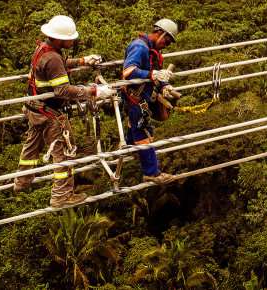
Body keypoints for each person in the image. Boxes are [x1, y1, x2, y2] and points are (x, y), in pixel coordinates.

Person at [14, 15, 114, 207]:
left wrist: (83, 61)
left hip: (34, 108)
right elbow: (63, 90)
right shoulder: (52, 57)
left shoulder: (44, 49)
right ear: (59, 39)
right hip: (50, 112)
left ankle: (22, 181)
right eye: (70, 38)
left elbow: (59, 64)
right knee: (64, 152)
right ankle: (61, 196)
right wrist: (95, 91)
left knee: (32, 145)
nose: (73, 40)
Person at [120, 18, 182, 185]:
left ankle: (131, 147)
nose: (167, 44)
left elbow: (155, 72)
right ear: (160, 33)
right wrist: (152, 75)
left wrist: (165, 85)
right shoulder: (140, 47)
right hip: (135, 97)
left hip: (143, 95)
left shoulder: (152, 50)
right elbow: (129, 72)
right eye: (167, 40)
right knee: (143, 134)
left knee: (137, 127)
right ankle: (151, 173)